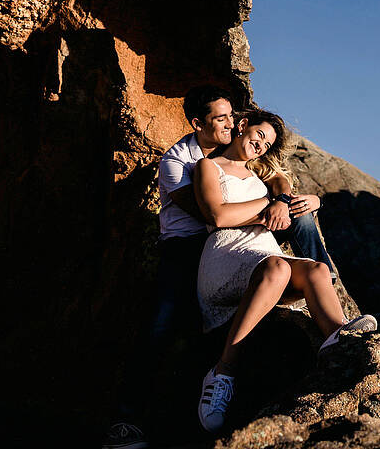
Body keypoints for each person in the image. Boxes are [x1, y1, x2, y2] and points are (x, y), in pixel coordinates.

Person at [103, 86, 339, 449]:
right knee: (162, 326)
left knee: (302, 217)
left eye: (233, 116)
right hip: (188, 244)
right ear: (199, 124)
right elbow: (213, 214)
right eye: (221, 119)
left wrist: (288, 198)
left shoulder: (243, 152)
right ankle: (126, 421)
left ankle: (326, 282)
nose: (232, 123)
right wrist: (269, 206)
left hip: (243, 234)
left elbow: (276, 175)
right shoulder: (180, 161)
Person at [194, 109, 376, 433]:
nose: (261, 145)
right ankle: (222, 372)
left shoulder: (260, 175)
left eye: (267, 144)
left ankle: (337, 337)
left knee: (317, 270)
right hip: (225, 251)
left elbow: (285, 187)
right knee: (277, 267)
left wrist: (297, 199)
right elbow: (218, 215)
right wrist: (269, 207)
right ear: (243, 125)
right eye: (259, 136)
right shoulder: (209, 166)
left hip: (262, 250)